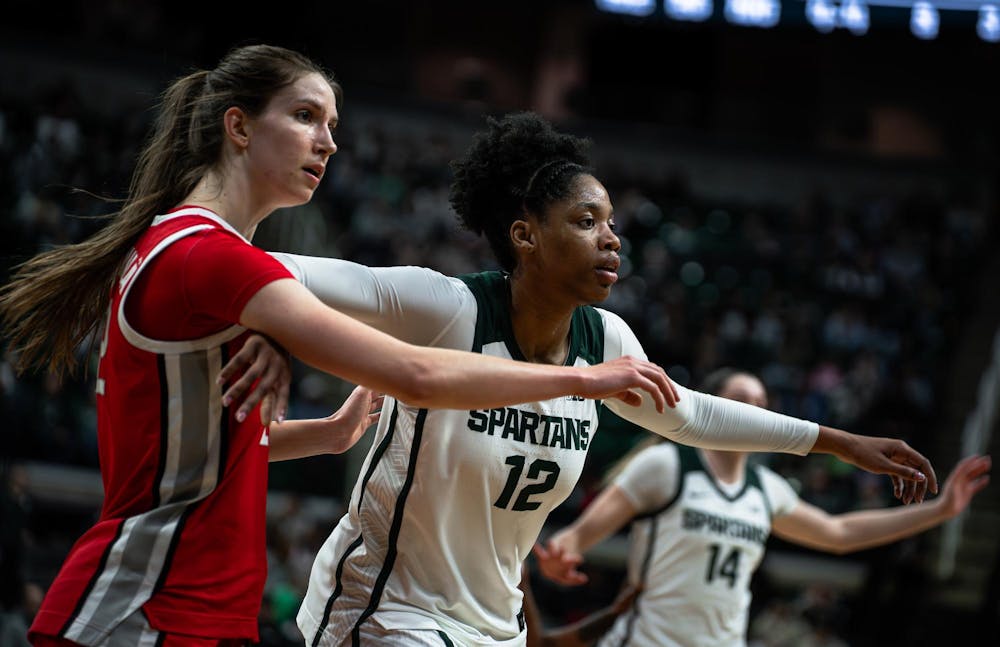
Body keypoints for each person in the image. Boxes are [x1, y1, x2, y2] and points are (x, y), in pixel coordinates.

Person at [0, 45, 683, 647]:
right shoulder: (208, 256)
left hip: (196, 608)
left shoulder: (195, 250)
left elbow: (200, 446)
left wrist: (327, 433)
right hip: (147, 604)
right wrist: (582, 380)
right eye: (305, 117)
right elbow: (416, 375)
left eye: (332, 125)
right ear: (238, 126)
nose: (327, 143)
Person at [246, 112, 937, 646]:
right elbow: (280, 268)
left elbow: (694, 414)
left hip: (495, 624)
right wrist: (269, 332)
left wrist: (837, 441)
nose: (612, 238)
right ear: (526, 236)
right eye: (586, 221)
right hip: (388, 607)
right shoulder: (449, 308)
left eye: (611, 223)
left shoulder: (605, 341)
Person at [534, 368, 990, 647]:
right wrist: (563, 551)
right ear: (713, 408)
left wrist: (940, 511)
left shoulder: (766, 489)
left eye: (762, 405)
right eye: (741, 402)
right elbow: (580, 535)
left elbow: (839, 534)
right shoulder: (666, 464)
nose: (755, 413)